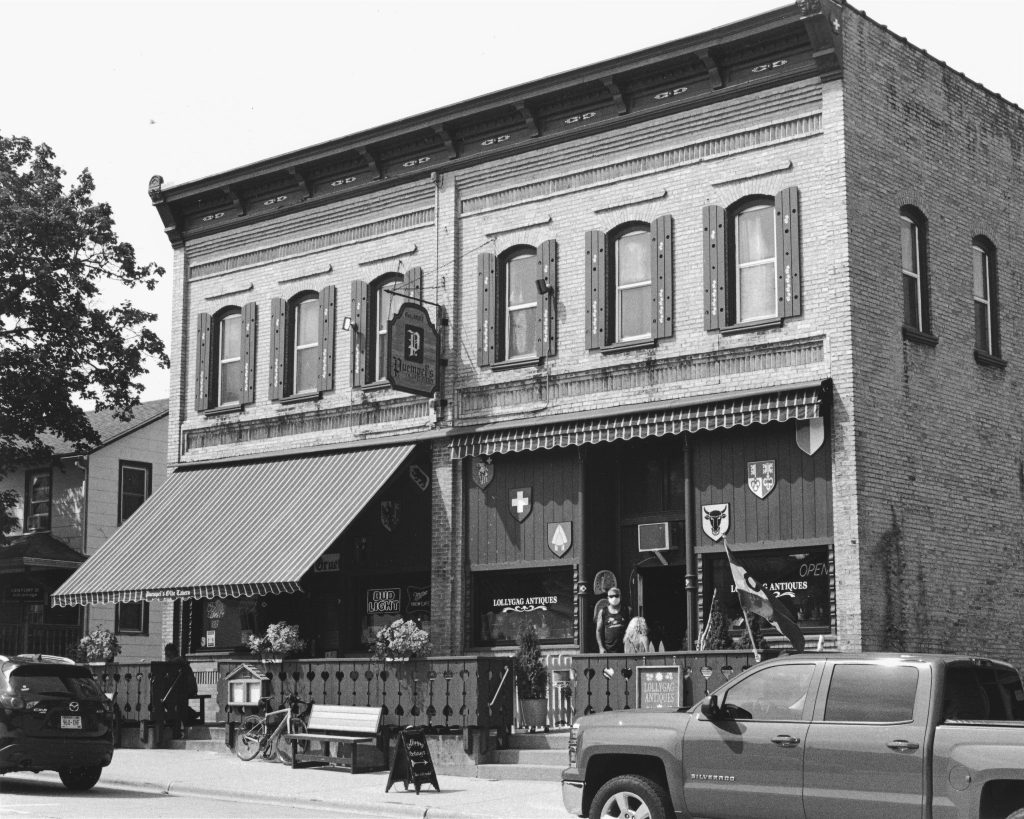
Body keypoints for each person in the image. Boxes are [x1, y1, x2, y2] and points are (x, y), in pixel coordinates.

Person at [162, 643, 198, 738]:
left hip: (186, 690)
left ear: (172, 653)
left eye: (167, 655)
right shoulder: (180, 661)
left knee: (169, 701)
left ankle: (184, 717)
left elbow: (170, 678)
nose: (166, 657)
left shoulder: (177, 662)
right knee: (170, 701)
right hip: (184, 689)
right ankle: (189, 714)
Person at [595, 587, 628, 653]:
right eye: (611, 596)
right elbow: (598, 631)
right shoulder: (603, 612)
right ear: (608, 598)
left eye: (616, 596)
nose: (614, 598)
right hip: (608, 650)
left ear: (620, 597)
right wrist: (601, 647)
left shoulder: (627, 610)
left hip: (625, 650)